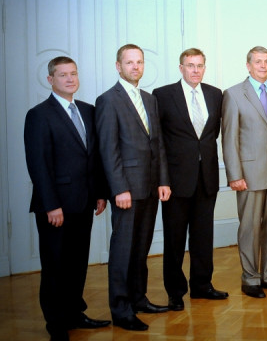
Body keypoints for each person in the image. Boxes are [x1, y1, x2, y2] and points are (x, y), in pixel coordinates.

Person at [24, 57, 110, 341]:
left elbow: (94, 157)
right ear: (51, 80)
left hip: (84, 201)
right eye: (63, 75)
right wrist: (51, 205)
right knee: (55, 266)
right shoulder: (39, 115)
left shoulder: (87, 110)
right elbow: (38, 164)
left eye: (73, 73)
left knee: (77, 263)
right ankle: (56, 323)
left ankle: (74, 313)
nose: (70, 79)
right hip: (56, 206)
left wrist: (100, 193)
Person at [95, 44, 172, 331]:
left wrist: (163, 180)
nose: (135, 67)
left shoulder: (149, 99)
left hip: (150, 188)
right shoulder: (108, 100)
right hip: (126, 190)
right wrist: (119, 188)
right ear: (119, 66)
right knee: (123, 251)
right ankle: (121, 309)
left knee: (141, 248)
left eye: (139, 62)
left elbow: (158, 144)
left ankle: (139, 299)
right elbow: (108, 149)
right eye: (129, 62)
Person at [153, 48, 228, 311]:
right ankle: (175, 292)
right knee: (174, 240)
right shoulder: (163, 95)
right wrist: (162, 179)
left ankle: (202, 285)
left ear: (204, 68)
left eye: (200, 65)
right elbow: (158, 141)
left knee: (203, 236)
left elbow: (211, 135)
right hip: (175, 181)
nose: (195, 70)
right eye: (190, 65)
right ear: (181, 68)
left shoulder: (215, 94)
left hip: (206, 178)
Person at [221, 46, 267, 299]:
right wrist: (234, 175)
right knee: (250, 228)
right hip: (248, 175)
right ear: (248, 65)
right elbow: (229, 139)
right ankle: (250, 278)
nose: (263, 66)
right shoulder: (234, 94)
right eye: (258, 61)